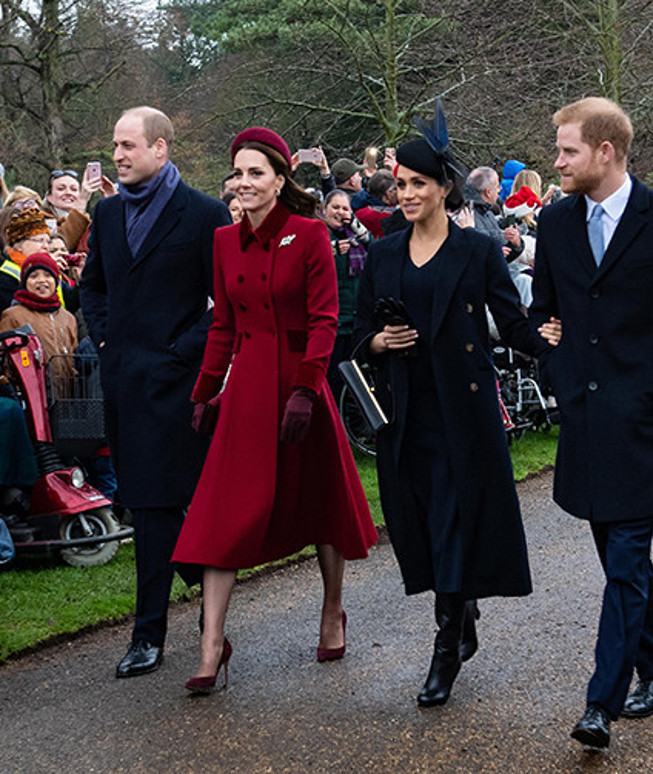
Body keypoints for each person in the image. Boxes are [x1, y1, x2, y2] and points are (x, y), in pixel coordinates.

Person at [529, 97, 653, 749]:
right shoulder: (553, 225)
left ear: (605, 152)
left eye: (567, 151)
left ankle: (600, 701)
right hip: (584, 425)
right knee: (623, 564)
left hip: (642, 425)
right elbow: (541, 316)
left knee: (627, 559)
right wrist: (553, 368)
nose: (557, 162)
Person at [354, 105, 560, 708]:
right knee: (421, 520)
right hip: (406, 410)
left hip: (464, 411)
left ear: (444, 187)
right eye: (401, 184)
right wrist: (376, 340)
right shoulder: (385, 252)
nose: (408, 193)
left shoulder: (475, 249)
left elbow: (509, 318)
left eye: (419, 183)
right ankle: (461, 608)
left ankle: (445, 647)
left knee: (451, 517)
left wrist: (548, 336)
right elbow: (357, 330)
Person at [171, 127, 377, 694]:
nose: (243, 183)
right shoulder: (222, 241)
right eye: (237, 173)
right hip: (247, 391)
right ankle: (212, 644)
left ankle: (333, 608)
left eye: (256, 172)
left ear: (281, 179)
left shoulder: (309, 235)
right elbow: (223, 326)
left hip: (299, 387)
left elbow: (324, 320)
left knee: (322, 500)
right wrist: (204, 392)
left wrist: (308, 391)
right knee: (220, 511)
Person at [80, 106, 231, 679]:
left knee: (154, 506)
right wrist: (105, 336)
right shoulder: (109, 212)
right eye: (115, 146)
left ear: (161, 148)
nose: (118, 156)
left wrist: (177, 353)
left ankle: (149, 635)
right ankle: (211, 605)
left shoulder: (204, 214)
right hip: (121, 381)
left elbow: (224, 303)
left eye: (128, 145)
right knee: (150, 506)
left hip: (175, 387)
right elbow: (91, 287)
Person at [0, 252, 78, 389]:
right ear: (24, 282)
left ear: (56, 281)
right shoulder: (12, 315)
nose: (41, 280)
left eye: (47, 275)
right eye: (33, 276)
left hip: (66, 398)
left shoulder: (68, 318)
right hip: (31, 398)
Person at [322, 189, 371, 399]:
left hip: (355, 318)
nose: (340, 212)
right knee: (332, 376)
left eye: (345, 208)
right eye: (335, 207)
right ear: (324, 210)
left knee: (356, 377)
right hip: (332, 320)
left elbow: (375, 250)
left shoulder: (357, 237)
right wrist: (328, 252)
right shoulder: (319, 236)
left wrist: (355, 225)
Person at [1, 208, 51, 311]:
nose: (46, 246)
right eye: (40, 240)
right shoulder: (4, 276)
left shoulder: (50, 268)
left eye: (48, 241)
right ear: (19, 245)